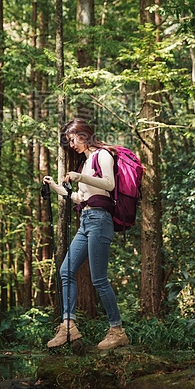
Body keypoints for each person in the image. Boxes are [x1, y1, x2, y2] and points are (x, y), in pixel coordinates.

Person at [43, 118, 129, 350]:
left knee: (99, 278)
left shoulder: (103, 155)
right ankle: (69, 326)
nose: (71, 145)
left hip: (101, 220)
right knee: (66, 271)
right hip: (86, 220)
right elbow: (80, 198)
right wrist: (55, 187)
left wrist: (79, 177)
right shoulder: (85, 163)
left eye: (72, 140)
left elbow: (109, 185)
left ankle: (117, 330)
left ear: (82, 135)